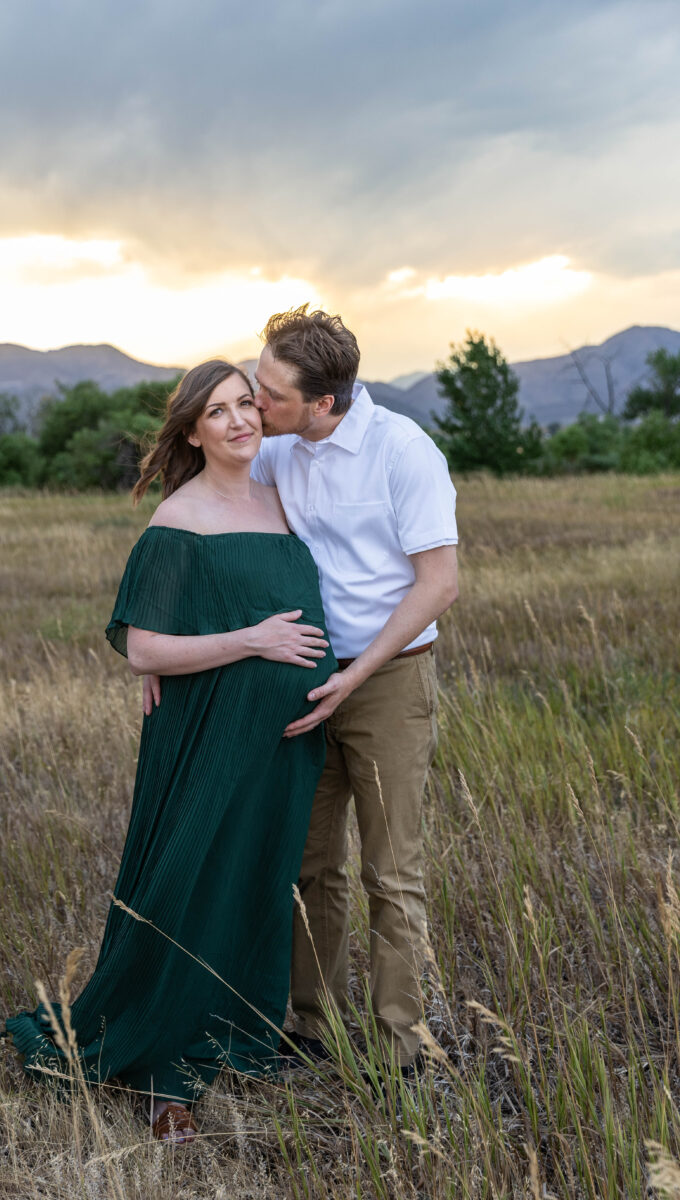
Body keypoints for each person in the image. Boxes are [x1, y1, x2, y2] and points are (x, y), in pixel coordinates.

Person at [5, 360, 337, 1143]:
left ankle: (239, 1029)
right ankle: (161, 1075)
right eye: (217, 412)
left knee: (258, 877)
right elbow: (144, 649)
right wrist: (251, 641)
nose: (238, 421)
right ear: (192, 431)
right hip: (208, 737)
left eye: (246, 405)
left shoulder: (279, 498)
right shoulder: (176, 524)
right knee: (187, 882)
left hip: (284, 742)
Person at [250, 306, 459, 1076]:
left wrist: (356, 675)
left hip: (387, 682)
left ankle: (402, 1045)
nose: (255, 401)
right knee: (309, 864)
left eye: (271, 393)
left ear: (325, 403)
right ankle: (314, 1028)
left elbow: (440, 585)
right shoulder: (281, 448)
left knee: (390, 870)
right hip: (305, 680)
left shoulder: (405, 452)